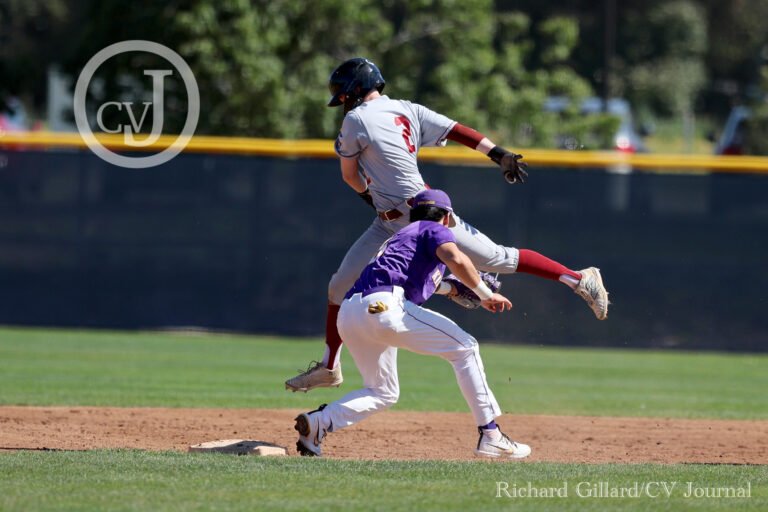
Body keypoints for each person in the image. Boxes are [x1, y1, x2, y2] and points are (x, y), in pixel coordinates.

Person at [285, 57, 609, 393]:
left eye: (342, 95)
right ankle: (330, 367)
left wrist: (369, 196)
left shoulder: (355, 120)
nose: (342, 102)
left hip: (420, 217)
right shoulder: (408, 109)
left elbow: (350, 176)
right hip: (393, 220)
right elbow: (457, 130)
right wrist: (498, 154)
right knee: (494, 259)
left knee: (345, 288)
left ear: (355, 90)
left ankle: (578, 278)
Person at [294, 189, 531, 459]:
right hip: (384, 306)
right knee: (466, 348)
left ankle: (318, 423)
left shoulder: (403, 237)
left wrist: (454, 288)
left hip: (350, 313)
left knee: (383, 391)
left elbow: (421, 282)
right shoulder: (433, 228)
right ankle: (491, 435)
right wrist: (485, 294)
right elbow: (456, 258)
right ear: (447, 217)